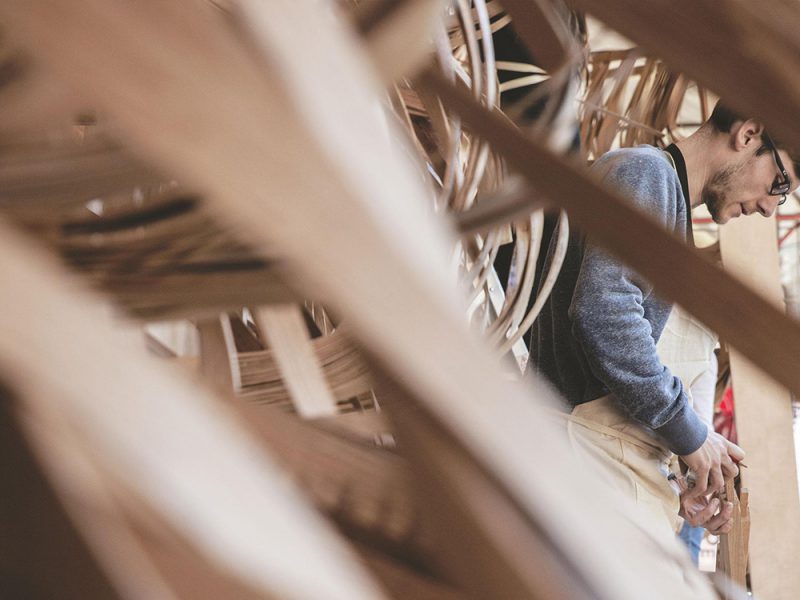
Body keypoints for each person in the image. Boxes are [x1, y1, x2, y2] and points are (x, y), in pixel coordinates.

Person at [531, 102, 800, 551]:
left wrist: (684, 467)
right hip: (584, 464)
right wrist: (688, 433)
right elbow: (605, 314)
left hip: (590, 463)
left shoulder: (658, 193)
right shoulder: (646, 174)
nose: (772, 208)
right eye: (781, 184)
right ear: (749, 134)